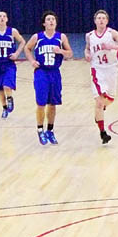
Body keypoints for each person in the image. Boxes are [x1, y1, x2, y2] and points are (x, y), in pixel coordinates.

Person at [24, 11, 73, 145]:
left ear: (56, 23)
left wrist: (61, 51)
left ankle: (50, 130)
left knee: (53, 103)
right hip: (42, 72)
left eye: (53, 19)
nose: (51, 21)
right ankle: (40, 130)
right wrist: (32, 61)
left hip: (55, 73)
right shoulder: (37, 37)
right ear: (44, 23)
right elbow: (27, 48)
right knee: (41, 102)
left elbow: (70, 54)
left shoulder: (61, 37)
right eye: (48, 19)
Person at [86, 9, 118, 144]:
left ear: (107, 21)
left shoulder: (112, 33)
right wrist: (87, 54)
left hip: (111, 69)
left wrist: (112, 46)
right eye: (98, 18)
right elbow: (87, 48)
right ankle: (103, 133)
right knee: (99, 101)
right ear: (95, 21)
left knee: (109, 100)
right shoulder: (89, 35)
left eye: (103, 18)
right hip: (97, 70)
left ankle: (99, 112)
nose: (101, 20)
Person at [0, 11, 26, 119]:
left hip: (9, 63)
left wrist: (17, 53)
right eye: (0, 16)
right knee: (0, 89)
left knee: (7, 85)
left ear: (7, 19)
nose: (2, 18)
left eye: (4, 16)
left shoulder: (12, 31)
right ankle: (4, 108)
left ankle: (10, 99)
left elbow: (22, 42)